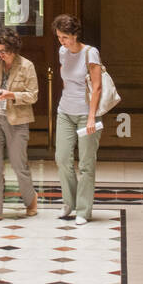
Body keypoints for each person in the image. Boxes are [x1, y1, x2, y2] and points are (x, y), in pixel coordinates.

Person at [0, 27, 39, 224]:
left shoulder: (26, 66)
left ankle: (31, 199)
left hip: (17, 121)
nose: (0, 54)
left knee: (18, 163)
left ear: (14, 49)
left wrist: (12, 95)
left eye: (4, 51)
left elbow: (33, 95)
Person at [52, 13, 102, 225]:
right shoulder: (63, 52)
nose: (61, 41)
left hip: (85, 115)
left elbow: (97, 87)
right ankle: (69, 202)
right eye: (59, 37)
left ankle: (83, 210)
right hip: (65, 111)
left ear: (74, 35)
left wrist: (91, 117)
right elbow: (66, 79)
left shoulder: (91, 53)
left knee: (86, 164)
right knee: (62, 158)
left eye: (65, 37)